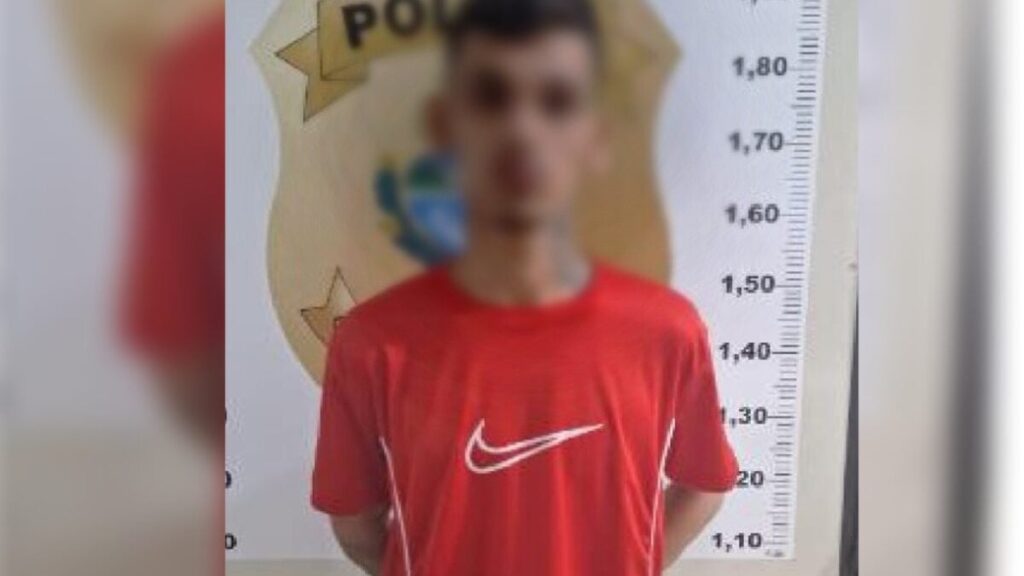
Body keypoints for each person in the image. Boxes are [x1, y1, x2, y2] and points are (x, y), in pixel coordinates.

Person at [311, 1, 738, 574]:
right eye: (491, 97)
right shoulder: (372, 341)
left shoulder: (667, 331)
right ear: (445, 125)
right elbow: (355, 523)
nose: (521, 130)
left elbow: (704, 483)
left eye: (556, 101)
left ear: (595, 135)